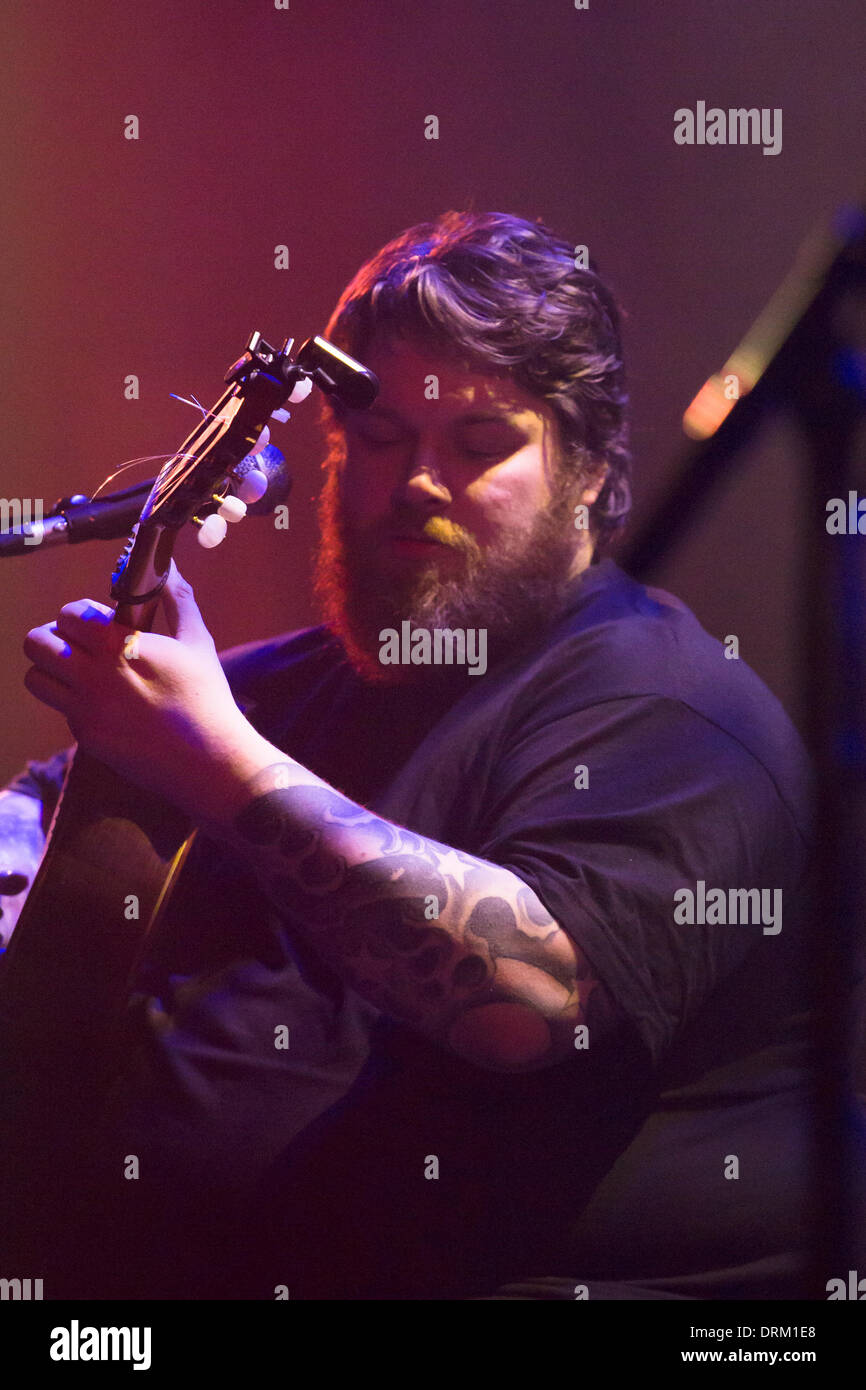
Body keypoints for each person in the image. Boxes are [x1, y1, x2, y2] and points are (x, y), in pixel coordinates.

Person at [0, 210, 851, 1300]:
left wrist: (214, 763)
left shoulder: (668, 706)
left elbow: (525, 1002)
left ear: (587, 468)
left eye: (480, 443)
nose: (415, 482)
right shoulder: (273, 687)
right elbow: (51, 844)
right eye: (383, 438)